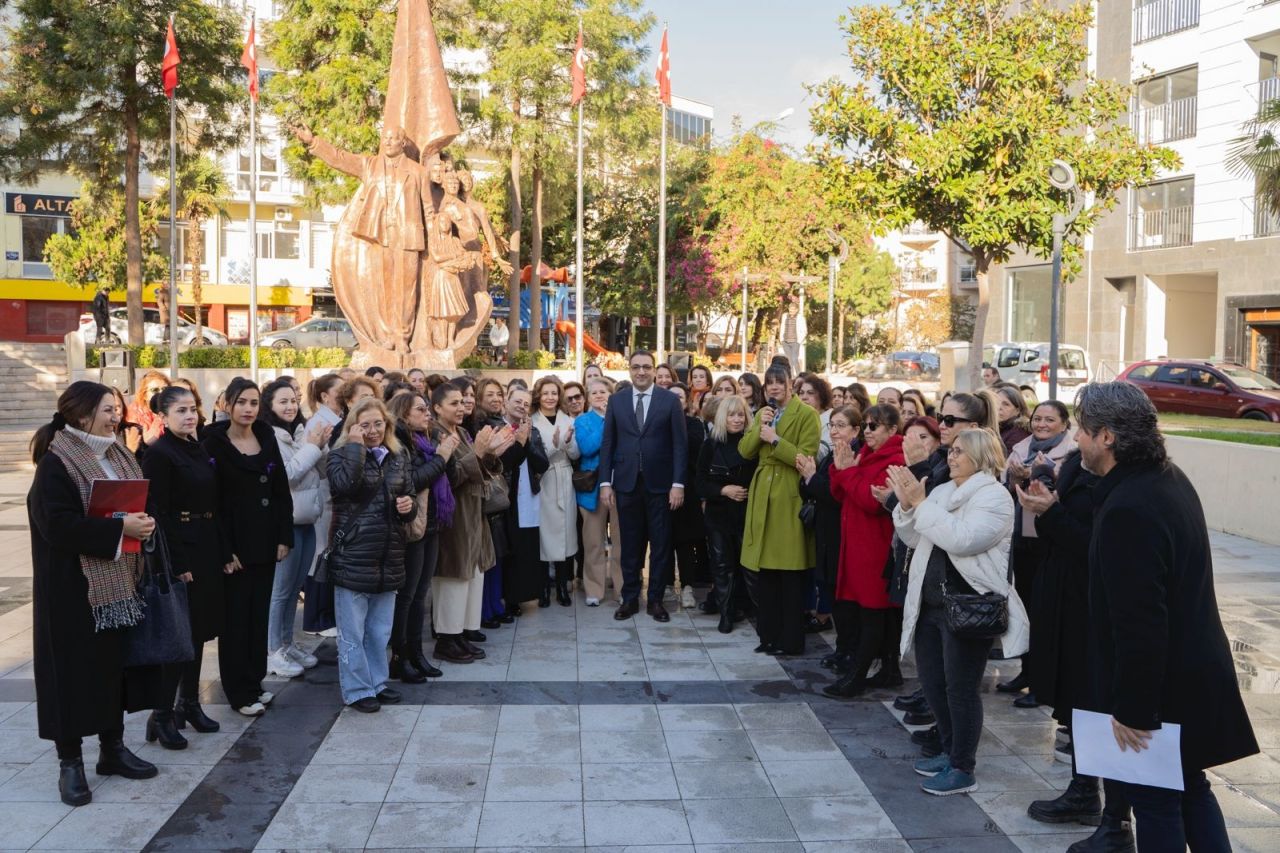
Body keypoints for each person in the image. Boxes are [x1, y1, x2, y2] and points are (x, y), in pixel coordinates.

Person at [1074, 381, 1257, 851]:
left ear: (1107, 436)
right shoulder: (1166, 477)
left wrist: (1134, 711)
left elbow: (1141, 623)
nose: (1077, 438)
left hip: (1162, 688)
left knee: (1155, 801)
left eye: (1082, 430)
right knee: (1190, 787)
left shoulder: (1129, 507)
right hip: (1188, 675)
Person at [28, 381, 162, 806]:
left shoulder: (118, 455)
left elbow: (132, 505)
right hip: (71, 590)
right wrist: (120, 528)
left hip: (116, 586)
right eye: (107, 409)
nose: (115, 417)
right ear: (82, 414)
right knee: (69, 677)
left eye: (116, 408)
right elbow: (57, 527)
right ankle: (70, 763)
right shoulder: (56, 463)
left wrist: (143, 523)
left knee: (110, 669)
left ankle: (112, 749)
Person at [888, 428, 1025, 796]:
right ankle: (949, 752)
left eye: (960, 451)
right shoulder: (944, 490)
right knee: (934, 685)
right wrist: (906, 506)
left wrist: (921, 505)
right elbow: (916, 537)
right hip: (932, 604)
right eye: (951, 450)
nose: (951, 456)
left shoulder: (994, 496)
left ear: (981, 456)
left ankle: (963, 767)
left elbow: (963, 540)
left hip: (969, 606)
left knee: (961, 690)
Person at [1018, 445, 1110, 830]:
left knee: (1088, 699)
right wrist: (1045, 508)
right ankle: (1083, 788)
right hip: (1060, 594)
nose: (1079, 436)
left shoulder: (1116, 484)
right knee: (1074, 697)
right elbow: (1056, 531)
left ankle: (1093, 797)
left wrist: (1052, 512)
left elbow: (1095, 545)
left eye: (1084, 429)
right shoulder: (1076, 466)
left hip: (1087, 603)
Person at [142, 385, 228, 750]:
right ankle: (162, 714)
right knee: (179, 638)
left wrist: (224, 550)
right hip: (181, 552)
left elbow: (213, 503)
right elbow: (158, 512)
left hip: (205, 546)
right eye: (180, 411)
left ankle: (188, 704)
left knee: (199, 633)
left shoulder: (198, 447)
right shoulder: (159, 454)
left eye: (192, 409)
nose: (189, 416)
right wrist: (177, 562)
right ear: (163, 416)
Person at [203, 378, 294, 717]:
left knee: (258, 616)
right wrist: (224, 550)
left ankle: (255, 682)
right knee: (236, 621)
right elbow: (211, 503)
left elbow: (280, 490)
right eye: (241, 402)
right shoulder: (212, 443)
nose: (248, 409)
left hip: (265, 541)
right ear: (227, 404)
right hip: (233, 546)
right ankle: (238, 691)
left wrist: (284, 536)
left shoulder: (267, 436)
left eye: (254, 403)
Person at [326, 397, 416, 712]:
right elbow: (344, 486)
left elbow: (409, 495)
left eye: (378, 423)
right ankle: (357, 690)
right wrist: (355, 448)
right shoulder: (340, 455)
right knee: (352, 632)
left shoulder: (398, 456)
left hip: (389, 556)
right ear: (353, 427)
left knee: (379, 631)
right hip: (353, 555)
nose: (373, 430)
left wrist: (408, 506)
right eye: (365, 425)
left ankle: (377, 682)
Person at [996, 400, 1076, 709]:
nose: (1042, 424)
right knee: (1024, 609)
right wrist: (1017, 479)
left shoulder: (1071, 452)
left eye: (1050, 419)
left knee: (1044, 615)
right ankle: (1026, 672)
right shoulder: (1021, 448)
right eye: (1037, 418)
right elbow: (1004, 488)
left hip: (1048, 540)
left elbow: (1066, 492)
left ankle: (1041, 684)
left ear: (1064, 424)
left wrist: (1043, 473)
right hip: (1020, 538)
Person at [598, 350, 688, 623]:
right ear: (629, 369)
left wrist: (678, 484)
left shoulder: (669, 401)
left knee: (660, 545)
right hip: (626, 484)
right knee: (629, 545)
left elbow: (680, 445)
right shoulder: (617, 400)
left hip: (661, 486)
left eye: (646, 367)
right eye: (636, 367)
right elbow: (608, 443)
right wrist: (605, 482)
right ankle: (630, 599)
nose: (641, 372)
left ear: (654, 370)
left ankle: (656, 601)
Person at [739, 360, 821, 655]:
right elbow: (745, 451)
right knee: (766, 573)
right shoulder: (763, 412)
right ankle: (768, 636)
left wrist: (775, 440)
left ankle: (791, 641)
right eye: (769, 383)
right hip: (763, 492)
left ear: (790, 385)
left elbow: (806, 457)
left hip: (789, 493)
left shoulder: (807, 415)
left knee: (789, 574)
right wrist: (759, 428)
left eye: (779, 382)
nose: (774, 388)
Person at [824, 403, 905, 697]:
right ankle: (890, 670)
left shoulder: (896, 459)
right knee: (876, 614)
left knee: (873, 613)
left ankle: (856, 676)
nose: (867, 431)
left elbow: (872, 502)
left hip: (876, 549)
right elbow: (840, 493)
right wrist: (840, 467)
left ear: (892, 430)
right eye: (866, 425)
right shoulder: (867, 455)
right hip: (858, 544)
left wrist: (848, 472)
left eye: (874, 426)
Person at [432, 384, 507, 663]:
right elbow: (449, 477)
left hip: (474, 510)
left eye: (463, 402)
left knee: (473, 575)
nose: (461, 407)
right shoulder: (435, 434)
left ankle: (462, 633)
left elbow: (480, 468)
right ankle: (446, 638)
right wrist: (477, 453)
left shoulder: (462, 432)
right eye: (453, 403)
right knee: (454, 576)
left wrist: (491, 453)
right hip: (454, 515)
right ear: (437, 407)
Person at [260, 379, 330, 680]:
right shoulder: (269, 436)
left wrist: (321, 446)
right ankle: (272, 651)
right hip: (285, 522)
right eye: (283, 401)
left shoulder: (301, 432)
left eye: (293, 400)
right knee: (280, 591)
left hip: (307, 519)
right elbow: (287, 475)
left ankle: (287, 643)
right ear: (270, 405)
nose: (290, 406)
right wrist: (313, 447)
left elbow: (320, 472)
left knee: (294, 588)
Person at [387, 392, 452, 681]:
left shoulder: (424, 440)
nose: (428, 414)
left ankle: (416, 653)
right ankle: (399, 657)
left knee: (420, 594)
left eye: (427, 409)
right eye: (421, 410)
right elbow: (412, 481)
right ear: (404, 414)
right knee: (407, 596)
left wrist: (441, 455)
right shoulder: (398, 443)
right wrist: (441, 457)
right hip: (413, 527)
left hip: (431, 523)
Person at [797, 405, 861, 666]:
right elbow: (811, 489)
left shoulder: (855, 455)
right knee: (831, 592)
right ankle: (842, 648)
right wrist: (808, 477)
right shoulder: (830, 454)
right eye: (832, 425)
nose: (834, 431)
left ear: (856, 430)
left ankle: (850, 650)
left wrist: (812, 478)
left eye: (841, 425)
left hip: (842, 534)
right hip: (825, 532)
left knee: (844, 598)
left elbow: (837, 495)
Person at [696, 394, 759, 633]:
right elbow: (700, 483)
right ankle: (726, 612)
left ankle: (752, 611)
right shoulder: (711, 444)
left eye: (740, 414)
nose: (737, 419)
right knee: (722, 565)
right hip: (719, 515)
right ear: (723, 417)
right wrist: (723, 490)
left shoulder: (753, 444)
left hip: (747, 513)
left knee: (749, 566)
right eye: (731, 415)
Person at [498, 386, 550, 615]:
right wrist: (517, 442)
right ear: (506, 401)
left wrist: (526, 441)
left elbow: (543, 464)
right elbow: (502, 464)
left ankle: (519, 598)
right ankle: (505, 598)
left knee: (524, 548)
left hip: (528, 496)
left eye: (526, 404)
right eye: (517, 401)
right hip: (505, 496)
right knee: (508, 549)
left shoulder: (532, 430)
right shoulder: (496, 428)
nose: (521, 406)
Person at [531, 376, 580, 606]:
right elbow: (535, 455)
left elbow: (576, 454)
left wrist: (567, 443)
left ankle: (562, 586)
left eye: (554, 393)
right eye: (545, 393)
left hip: (565, 477)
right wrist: (554, 445)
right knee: (544, 535)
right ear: (538, 396)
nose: (550, 397)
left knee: (566, 533)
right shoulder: (531, 421)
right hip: (544, 480)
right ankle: (542, 588)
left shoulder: (567, 419)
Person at [575, 377, 622, 606]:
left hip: (620, 485)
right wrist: (606, 422)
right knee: (593, 541)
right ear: (588, 398)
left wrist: (613, 418)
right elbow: (587, 447)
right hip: (592, 487)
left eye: (603, 391)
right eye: (594, 393)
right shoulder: (582, 421)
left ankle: (623, 589)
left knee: (622, 541)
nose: (599, 395)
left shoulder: (623, 417)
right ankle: (594, 589)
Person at [667, 383, 709, 608]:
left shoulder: (694, 425)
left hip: (687, 489)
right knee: (663, 539)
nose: (675, 401)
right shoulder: (656, 423)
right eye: (671, 397)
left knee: (685, 541)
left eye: (680, 397)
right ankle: (665, 584)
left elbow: (690, 448)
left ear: (686, 402)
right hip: (661, 489)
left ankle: (687, 586)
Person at [129, 370, 170, 447]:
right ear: (145, 395)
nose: (161, 393)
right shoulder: (134, 415)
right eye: (155, 390)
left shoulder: (173, 410)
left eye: (165, 389)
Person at [994, 384, 1031, 456]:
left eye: (1006, 404)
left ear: (1017, 411)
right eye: (997, 402)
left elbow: (1005, 461)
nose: (999, 407)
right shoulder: (997, 427)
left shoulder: (1019, 433)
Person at [780, 299, 805, 373]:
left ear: (796, 310)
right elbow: (782, 327)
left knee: (794, 359)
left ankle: (798, 375)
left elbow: (804, 331)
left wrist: (799, 341)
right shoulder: (784, 316)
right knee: (789, 360)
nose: (791, 311)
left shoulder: (800, 318)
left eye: (793, 309)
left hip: (795, 342)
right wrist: (781, 339)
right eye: (790, 309)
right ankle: (791, 375)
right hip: (785, 341)